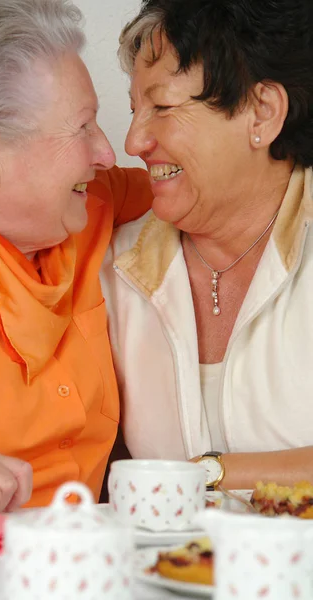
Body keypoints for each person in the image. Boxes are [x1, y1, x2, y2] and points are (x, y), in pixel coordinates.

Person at [0, 0, 152, 513]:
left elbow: (219, 186)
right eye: (83, 126)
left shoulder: (89, 201)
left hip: (81, 567)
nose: (108, 152)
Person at [101, 0, 313, 490]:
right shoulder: (114, 267)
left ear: (262, 113)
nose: (133, 142)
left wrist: (208, 477)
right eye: (135, 110)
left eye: (164, 106)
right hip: (166, 567)